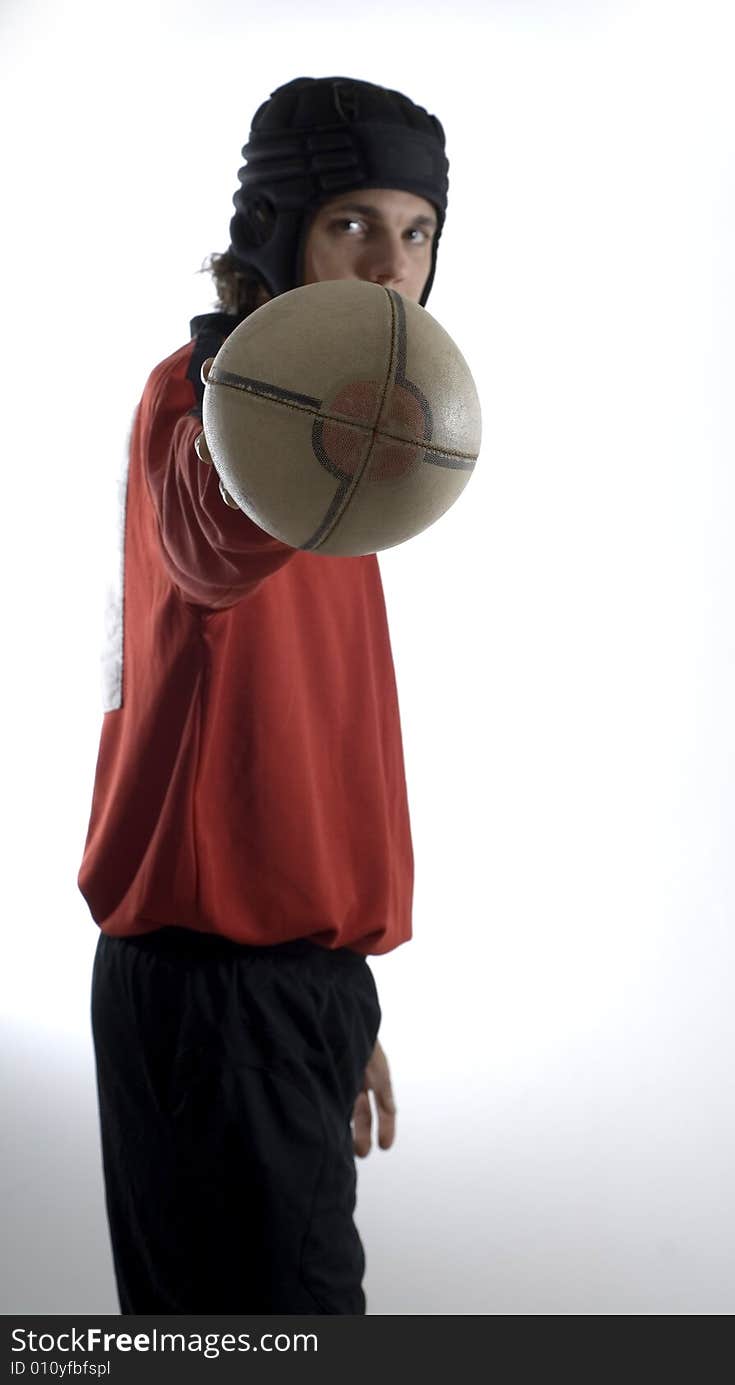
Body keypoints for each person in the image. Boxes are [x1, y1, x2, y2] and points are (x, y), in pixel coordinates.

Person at [79, 75, 449, 1315]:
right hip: (214, 990)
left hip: (271, 992)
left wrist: (330, 997)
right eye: (352, 224)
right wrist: (270, 1010)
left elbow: (300, 731)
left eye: (417, 232)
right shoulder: (211, 405)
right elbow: (205, 538)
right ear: (279, 227)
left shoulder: (353, 442)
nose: (390, 267)